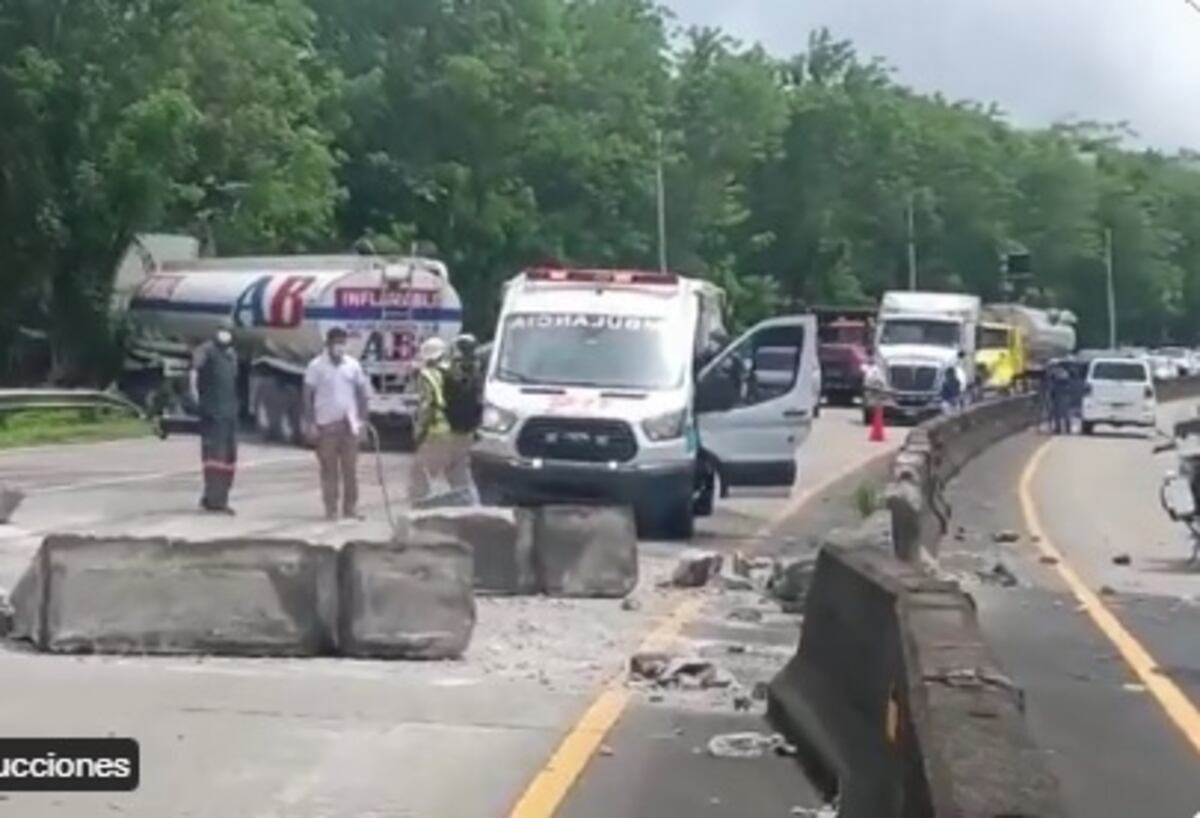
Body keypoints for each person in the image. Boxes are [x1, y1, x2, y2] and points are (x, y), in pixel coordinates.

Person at [303, 327, 371, 520]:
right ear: (328, 344)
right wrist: (310, 424)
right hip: (326, 426)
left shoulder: (352, 365)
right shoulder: (316, 366)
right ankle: (331, 509)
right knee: (329, 470)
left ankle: (350, 508)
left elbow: (362, 394)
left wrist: (362, 421)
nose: (340, 347)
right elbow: (307, 395)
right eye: (336, 343)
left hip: (349, 426)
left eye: (343, 343)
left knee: (350, 470)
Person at [408, 336, 477, 505]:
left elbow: (427, 406)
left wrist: (419, 431)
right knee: (459, 472)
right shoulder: (457, 371)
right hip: (462, 431)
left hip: (439, 431)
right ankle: (471, 506)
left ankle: (418, 509)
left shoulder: (428, 375)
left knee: (419, 471)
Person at [191, 327, 239, 513]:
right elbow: (194, 374)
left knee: (228, 459)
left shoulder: (231, 354)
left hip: (229, 414)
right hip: (213, 413)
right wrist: (196, 399)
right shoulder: (205, 351)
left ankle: (218, 496)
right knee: (215, 458)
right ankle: (215, 500)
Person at [1048, 362, 1073, 435]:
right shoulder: (1056, 373)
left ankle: (1066, 428)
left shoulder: (1062, 373)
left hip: (1062, 395)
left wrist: (1055, 377)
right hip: (1058, 395)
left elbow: (1063, 380)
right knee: (1058, 413)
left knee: (1064, 413)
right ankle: (1060, 428)